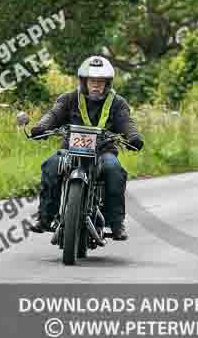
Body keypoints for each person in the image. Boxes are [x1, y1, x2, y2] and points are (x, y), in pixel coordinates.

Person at [28, 55, 144, 241]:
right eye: (92, 81)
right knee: (51, 165)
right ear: (84, 82)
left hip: (103, 152)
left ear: (108, 84)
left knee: (114, 170)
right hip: (70, 151)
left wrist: (134, 137)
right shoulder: (69, 99)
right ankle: (44, 218)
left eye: (101, 82)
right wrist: (41, 127)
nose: (96, 85)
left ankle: (116, 224)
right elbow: (54, 114)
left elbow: (126, 122)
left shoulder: (118, 103)